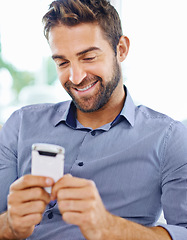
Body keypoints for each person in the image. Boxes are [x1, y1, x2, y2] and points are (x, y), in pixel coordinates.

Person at [0, 0, 187, 239]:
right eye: (63, 62)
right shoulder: (20, 125)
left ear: (121, 49)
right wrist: (9, 225)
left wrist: (109, 228)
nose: (76, 77)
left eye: (88, 57)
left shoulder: (168, 138)